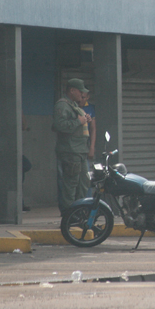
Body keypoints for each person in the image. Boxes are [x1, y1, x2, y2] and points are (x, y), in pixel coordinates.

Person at [53, 78, 92, 213]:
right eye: (80, 91)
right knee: (70, 185)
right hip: (70, 152)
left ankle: (79, 212)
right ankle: (69, 215)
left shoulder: (74, 105)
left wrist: (85, 119)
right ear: (72, 90)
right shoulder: (62, 105)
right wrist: (78, 121)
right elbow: (59, 125)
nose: (82, 95)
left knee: (83, 184)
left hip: (80, 151)